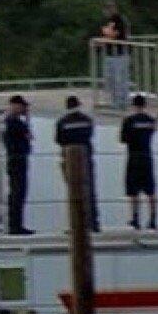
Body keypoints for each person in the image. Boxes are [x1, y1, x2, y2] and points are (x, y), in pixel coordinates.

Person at [55, 95, 97, 231]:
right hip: (86, 157)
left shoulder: (62, 122)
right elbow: (90, 135)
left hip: (69, 160)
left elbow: (59, 140)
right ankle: (93, 223)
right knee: (89, 190)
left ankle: (76, 224)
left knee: (73, 192)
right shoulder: (87, 120)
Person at [120, 93, 158, 231]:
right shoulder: (150, 120)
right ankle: (153, 219)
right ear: (145, 105)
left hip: (134, 156)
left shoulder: (129, 121)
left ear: (133, 105)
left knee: (133, 190)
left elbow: (123, 139)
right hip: (147, 155)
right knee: (151, 189)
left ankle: (135, 218)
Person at [1, 94, 33, 235]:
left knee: (19, 193)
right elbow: (28, 135)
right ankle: (15, 226)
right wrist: (27, 119)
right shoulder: (12, 122)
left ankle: (17, 224)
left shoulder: (14, 122)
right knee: (17, 193)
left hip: (19, 159)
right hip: (16, 159)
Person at [93, 0, 132, 109]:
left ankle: (122, 102)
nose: (107, 11)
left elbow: (114, 35)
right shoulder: (106, 21)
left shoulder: (119, 20)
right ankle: (115, 101)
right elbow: (105, 35)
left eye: (109, 8)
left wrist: (101, 42)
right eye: (106, 8)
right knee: (110, 79)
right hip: (109, 54)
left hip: (120, 54)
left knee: (120, 79)